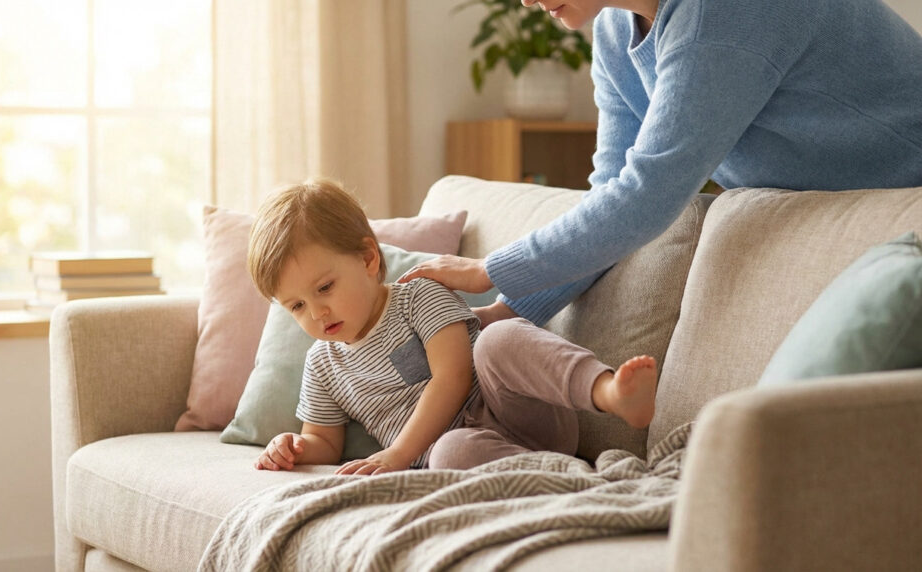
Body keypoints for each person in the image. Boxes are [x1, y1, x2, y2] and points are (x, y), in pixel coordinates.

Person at [400, 0, 922, 347]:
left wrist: (490, 269)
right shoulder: (614, 33)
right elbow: (610, 197)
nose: (526, 0)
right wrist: (505, 313)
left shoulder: (724, 12)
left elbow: (647, 194)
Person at [248, 178, 659, 474]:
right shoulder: (322, 365)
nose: (317, 313)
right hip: (471, 454)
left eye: (324, 288)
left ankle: (609, 391)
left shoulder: (418, 297)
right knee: (450, 452)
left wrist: (398, 454)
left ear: (368, 259)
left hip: (521, 414)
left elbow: (454, 378)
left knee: (498, 338)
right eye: (297, 306)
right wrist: (294, 447)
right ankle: (571, 477)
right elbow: (324, 441)